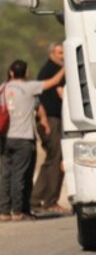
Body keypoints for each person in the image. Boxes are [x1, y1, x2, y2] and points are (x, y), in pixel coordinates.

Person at [0, 60, 66, 222]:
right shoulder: (29, 88)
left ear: (11, 73)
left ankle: (4, 211)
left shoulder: (2, 88)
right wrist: (65, 66)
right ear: (26, 73)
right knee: (20, 175)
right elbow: (55, 81)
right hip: (23, 139)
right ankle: (17, 211)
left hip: (5, 138)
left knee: (5, 175)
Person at [31, 42, 68, 214]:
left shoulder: (57, 70)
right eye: (60, 52)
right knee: (54, 160)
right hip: (51, 121)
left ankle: (42, 199)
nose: (62, 55)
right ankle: (45, 200)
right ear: (52, 53)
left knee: (55, 159)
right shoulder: (50, 70)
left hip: (58, 119)